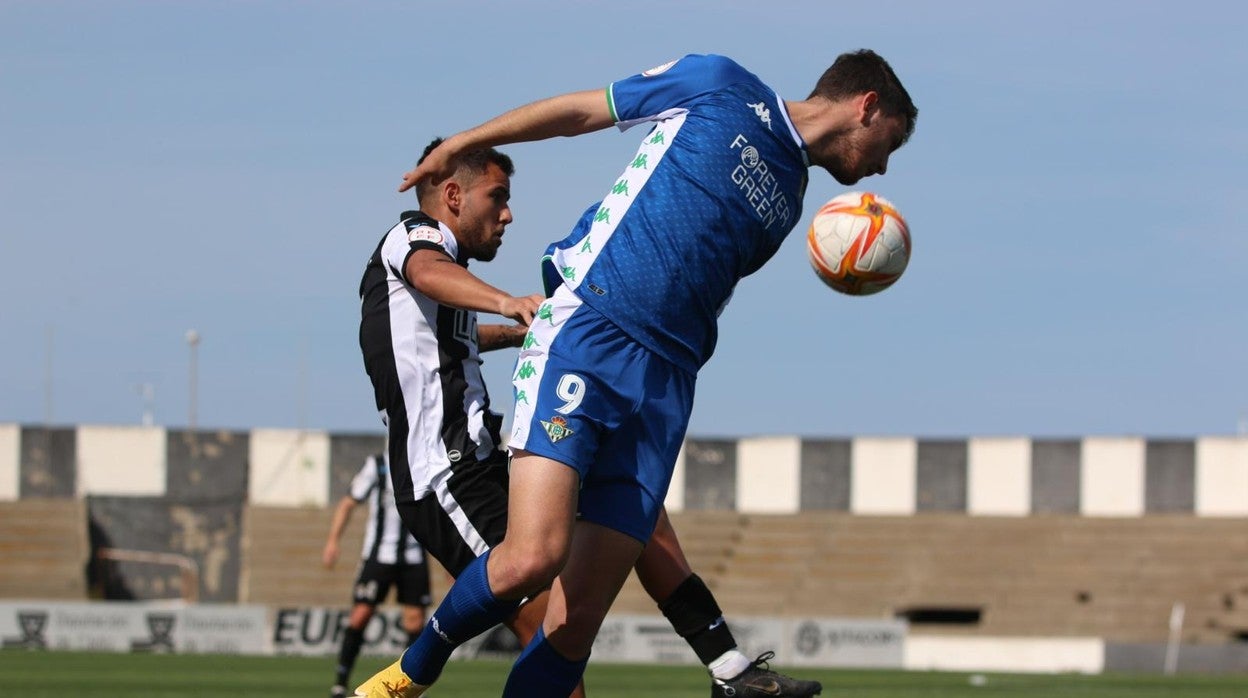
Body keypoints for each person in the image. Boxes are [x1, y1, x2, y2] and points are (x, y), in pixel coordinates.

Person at [362, 49, 918, 698]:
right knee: (532, 558)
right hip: (589, 333)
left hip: (665, 387)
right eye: (890, 144)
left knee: (574, 628)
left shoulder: (792, 200)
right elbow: (580, 111)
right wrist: (467, 140)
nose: (882, 166)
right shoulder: (723, 85)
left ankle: (727, 670)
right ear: (867, 106)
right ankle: (407, 677)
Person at [322, 452, 433, 698]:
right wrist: (333, 541)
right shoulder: (378, 465)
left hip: (413, 558)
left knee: (415, 622)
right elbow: (348, 502)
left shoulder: (425, 461)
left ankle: (412, 688)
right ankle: (340, 683)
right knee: (360, 616)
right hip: (378, 557)